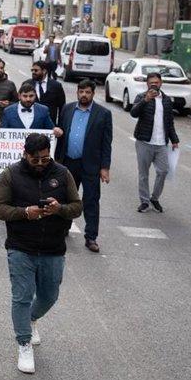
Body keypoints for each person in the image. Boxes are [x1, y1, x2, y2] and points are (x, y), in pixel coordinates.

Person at [0, 133, 83, 374]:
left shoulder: (63, 174)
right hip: (21, 246)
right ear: (25, 154)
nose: (41, 164)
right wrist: (25, 213)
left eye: (45, 159)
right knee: (21, 296)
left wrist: (59, 208)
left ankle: (31, 319)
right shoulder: (10, 174)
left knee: (49, 295)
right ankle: (23, 343)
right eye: (35, 160)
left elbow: (77, 207)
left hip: (53, 248)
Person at [55, 79, 113, 253]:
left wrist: (105, 167)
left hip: (90, 165)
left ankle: (91, 237)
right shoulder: (67, 109)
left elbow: (106, 143)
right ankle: (63, 228)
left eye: (87, 92)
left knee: (91, 201)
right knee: (65, 198)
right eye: (81, 92)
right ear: (77, 92)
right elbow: (60, 132)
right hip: (68, 162)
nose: (84, 95)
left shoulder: (103, 114)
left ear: (93, 94)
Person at [130, 72, 180, 213]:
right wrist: (145, 100)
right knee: (143, 174)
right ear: (147, 84)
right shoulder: (141, 97)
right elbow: (133, 113)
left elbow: (169, 122)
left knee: (163, 171)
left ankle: (155, 198)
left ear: (161, 83)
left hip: (161, 144)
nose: (154, 84)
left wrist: (174, 140)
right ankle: (144, 201)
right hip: (144, 142)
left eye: (156, 82)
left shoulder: (166, 100)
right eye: (151, 82)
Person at [29, 60, 66, 125]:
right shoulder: (27, 84)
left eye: (36, 70)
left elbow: (62, 107)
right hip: (31, 124)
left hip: (49, 124)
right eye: (32, 70)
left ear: (44, 71)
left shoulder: (56, 86)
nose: (33, 72)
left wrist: (60, 125)